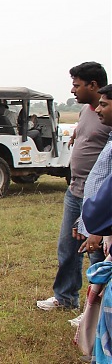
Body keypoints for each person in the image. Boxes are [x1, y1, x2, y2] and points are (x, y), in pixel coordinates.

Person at [37, 62, 111, 313]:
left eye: (76, 85)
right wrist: (77, 133)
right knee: (68, 249)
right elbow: (88, 134)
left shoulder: (108, 113)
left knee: (96, 252)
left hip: (97, 197)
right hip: (75, 191)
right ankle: (65, 298)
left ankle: (96, 311)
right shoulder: (89, 112)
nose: (72, 91)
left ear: (93, 85)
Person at [69, 84, 112, 327]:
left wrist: (98, 229)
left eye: (104, 105)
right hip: (100, 222)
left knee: (101, 273)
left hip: (105, 226)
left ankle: (96, 322)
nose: (99, 109)